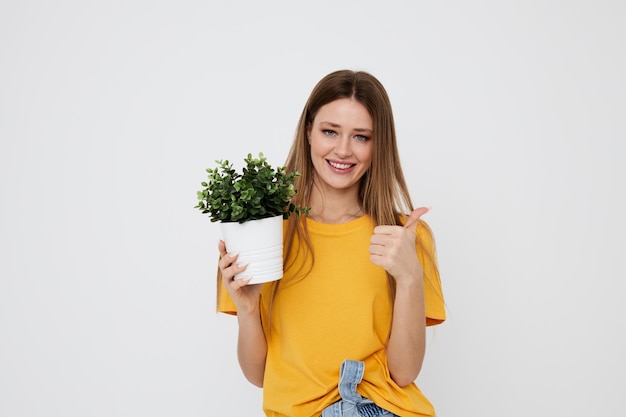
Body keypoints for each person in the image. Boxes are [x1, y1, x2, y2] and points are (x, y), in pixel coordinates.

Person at [216, 69, 446, 417]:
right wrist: (247, 310)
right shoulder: (263, 231)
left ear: (377, 144)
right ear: (308, 131)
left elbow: (404, 372)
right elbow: (259, 375)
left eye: (361, 137)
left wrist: (410, 276)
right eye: (330, 131)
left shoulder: (404, 237)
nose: (343, 150)